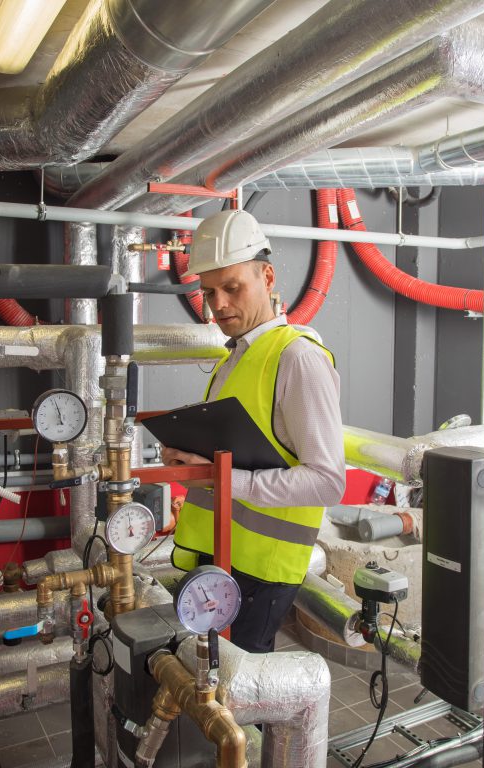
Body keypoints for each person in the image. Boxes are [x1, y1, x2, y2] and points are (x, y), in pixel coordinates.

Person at [162, 209, 346, 653]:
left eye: (232, 288)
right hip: (220, 557)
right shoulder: (235, 358)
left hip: (262, 572)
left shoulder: (297, 358)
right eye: (208, 292)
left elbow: (328, 481)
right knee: (211, 693)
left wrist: (223, 479)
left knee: (238, 703)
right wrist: (189, 459)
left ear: (267, 276)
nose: (218, 304)